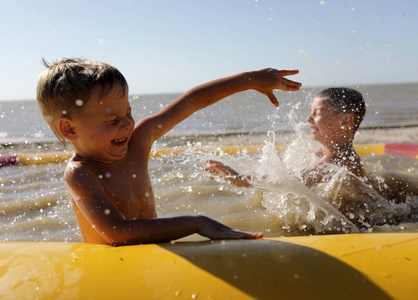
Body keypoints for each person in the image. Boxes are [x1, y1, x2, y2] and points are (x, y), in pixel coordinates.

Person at [36, 58, 302, 246]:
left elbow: (192, 102)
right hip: (112, 269)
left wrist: (250, 80)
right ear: (69, 130)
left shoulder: (138, 142)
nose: (127, 123)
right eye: (111, 120)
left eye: (128, 112)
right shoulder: (81, 173)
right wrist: (197, 223)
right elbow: (117, 233)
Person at [205, 87, 366, 188]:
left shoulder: (339, 161)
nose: (308, 118)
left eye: (317, 113)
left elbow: (283, 181)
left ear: (345, 120)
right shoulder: (326, 154)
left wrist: (238, 178)